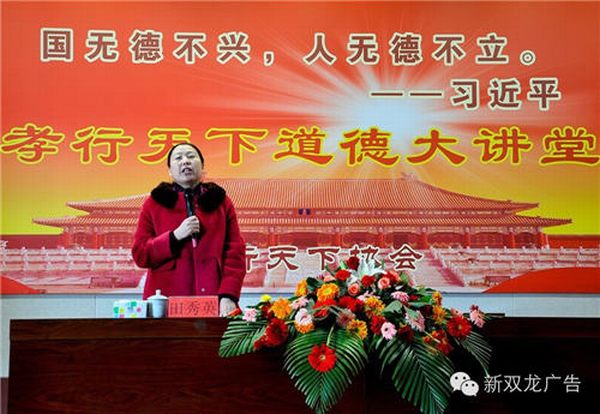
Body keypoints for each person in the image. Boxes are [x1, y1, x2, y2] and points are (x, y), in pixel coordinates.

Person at [132, 143, 246, 316]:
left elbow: (235, 253)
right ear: (170, 171)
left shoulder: (221, 202)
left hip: (214, 297)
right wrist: (174, 237)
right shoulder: (154, 203)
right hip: (165, 302)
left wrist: (228, 295)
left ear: (202, 166)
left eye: (191, 156)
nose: (185, 161)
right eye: (178, 158)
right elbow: (140, 254)